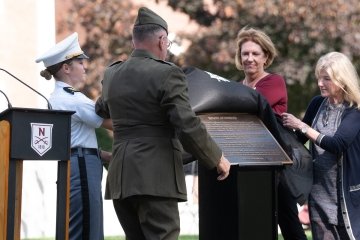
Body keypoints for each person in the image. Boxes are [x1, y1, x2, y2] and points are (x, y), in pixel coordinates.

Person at [95, 7, 231, 240]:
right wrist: (216, 157)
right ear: (162, 40)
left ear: (134, 40)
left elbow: (100, 108)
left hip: (121, 179)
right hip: (155, 177)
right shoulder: (168, 74)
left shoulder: (112, 75)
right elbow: (187, 124)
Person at [35, 32, 113, 240]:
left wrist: (102, 154)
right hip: (82, 166)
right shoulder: (73, 99)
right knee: (87, 229)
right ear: (66, 68)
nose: (84, 67)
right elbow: (112, 124)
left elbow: (75, 138)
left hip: (80, 162)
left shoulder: (58, 98)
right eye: (80, 62)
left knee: (81, 227)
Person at [235, 26, 307, 240]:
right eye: (245, 53)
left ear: (266, 56)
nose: (249, 58)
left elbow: (252, 105)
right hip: (248, 165)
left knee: (290, 227)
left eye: (255, 54)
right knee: (254, 226)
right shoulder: (237, 86)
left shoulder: (274, 82)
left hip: (276, 169)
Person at [282, 51, 360, 240]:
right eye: (319, 77)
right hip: (318, 196)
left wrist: (302, 126)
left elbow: (337, 144)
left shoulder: (354, 110)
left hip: (347, 198)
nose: (320, 83)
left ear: (341, 80)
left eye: (326, 79)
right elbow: (299, 140)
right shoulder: (317, 104)